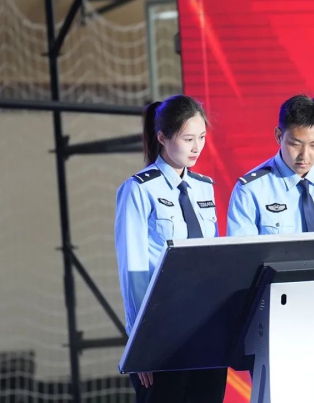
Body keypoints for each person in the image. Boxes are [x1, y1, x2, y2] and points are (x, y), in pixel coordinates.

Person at [114, 95, 227, 403]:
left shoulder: (204, 187)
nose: (197, 147)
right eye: (188, 139)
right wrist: (142, 345)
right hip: (162, 331)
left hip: (207, 328)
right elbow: (134, 272)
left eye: (201, 137)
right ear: (162, 137)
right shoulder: (139, 190)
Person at [227, 94, 314, 236]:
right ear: (279, 136)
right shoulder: (250, 190)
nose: (304, 155)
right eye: (295, 144)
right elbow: (242, 249)